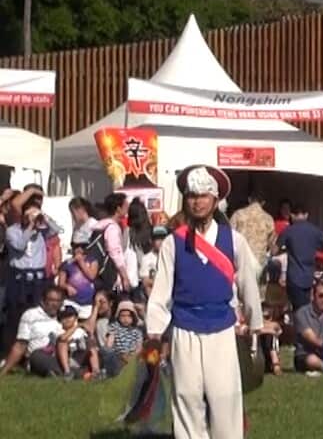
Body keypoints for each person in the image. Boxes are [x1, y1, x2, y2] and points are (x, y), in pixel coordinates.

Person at [146, 164, 264, 439]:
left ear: (214, 200)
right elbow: (161, 291)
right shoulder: (173, 243)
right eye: (191, 196)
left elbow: (247, 282)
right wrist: (154, 331)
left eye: (202, 196)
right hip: (184, 328)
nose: (196, 202)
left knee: (225, 399)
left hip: (222, 330)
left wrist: (255, 324)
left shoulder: (233, 240)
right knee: (186, 397)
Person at [4, 190, 62, 355]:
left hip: (38, 278)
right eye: (29, 213)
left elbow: (57, 230)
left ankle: (35, 350)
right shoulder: (12, 231)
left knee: (38, 313)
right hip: (19, 278)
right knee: (16, 314)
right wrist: (30, 225)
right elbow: (20, 245)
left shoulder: (42, 232)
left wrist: (43, 217)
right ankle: (12, 352)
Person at [0, 285, 66, 377]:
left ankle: (65, 372)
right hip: (39, 356)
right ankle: (68, 373)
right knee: (37, 356)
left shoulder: (66, 316)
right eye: (51, 300)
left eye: (58, 301)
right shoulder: (31, 315)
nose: (54, 304)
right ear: (43, 301)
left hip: (61, 356)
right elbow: (20, 345)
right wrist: (3, 372)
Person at [276, 203, 323, 311]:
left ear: (292, 215)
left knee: (298, 309)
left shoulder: (288, 231)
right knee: (306, 307)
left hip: (294, 278)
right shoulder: (315, 231)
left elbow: (274, 250)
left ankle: (301, 326)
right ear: (306, 215)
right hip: (308, 278)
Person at [90, 192, 134, 296]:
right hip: (108, 274)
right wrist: (124, 276)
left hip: (98, 271)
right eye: (126, 205)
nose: (128, 208)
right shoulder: (112, 228)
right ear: (118, 209)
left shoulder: (100, 225)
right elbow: (115, 252)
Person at [229, 193, 276, 272]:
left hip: (241, 261)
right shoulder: (268, 219)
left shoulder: (238, 214)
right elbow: (271, 242)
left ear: (249, 199)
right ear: (263, 202)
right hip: (259, 262)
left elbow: (229, 236)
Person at [53, 302, 99, 378]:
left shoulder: (80, 331)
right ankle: (67, 372)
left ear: (75, 317)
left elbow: (90, 341)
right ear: (59, 320)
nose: (67, 319)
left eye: (70, 316)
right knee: (62, 343)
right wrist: (77, 326)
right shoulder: (58, 329)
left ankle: (96, 371)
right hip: (67, 358)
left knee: (91, 344)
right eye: (63, 317)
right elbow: (62, 338)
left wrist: (89, 335)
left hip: (81, 356)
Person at [102, 299, 145, 376]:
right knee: (107, 351)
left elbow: (139, 347)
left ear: (134, 316)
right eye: (123, 316)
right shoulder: (114, 327)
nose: (125, 319)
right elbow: (110, 343)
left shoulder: (137, 330)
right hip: (118, 356)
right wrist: (110, 347)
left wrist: (132, 357)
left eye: (129, 316)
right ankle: (113, 372)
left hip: (132, 357)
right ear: (118, 316)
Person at [58, 240, 100, 306]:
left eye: (82, 246)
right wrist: (67, 287)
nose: (79, 249)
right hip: (71, 300)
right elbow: (61, 283)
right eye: (76, 246)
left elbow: (92, 276)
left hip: (87, 301)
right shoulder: (67, 263)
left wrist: (81, 261)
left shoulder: (92, 261)